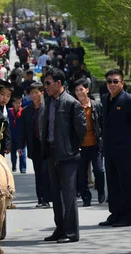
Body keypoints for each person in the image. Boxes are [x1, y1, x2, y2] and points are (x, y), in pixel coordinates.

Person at [41, 68, 87, 243]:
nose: (45, 86)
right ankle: (59, 229)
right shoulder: (49, 101)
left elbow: (81, 130)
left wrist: (72, 147)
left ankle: (71, 232)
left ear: (58, 83)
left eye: (48, 83)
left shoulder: (71, 103)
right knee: (55, 194)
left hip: (68, 155)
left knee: (68, 196)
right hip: (52, 152)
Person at [99, 69, 131, 227]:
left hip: (125, 150)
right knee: (112, 183)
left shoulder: (128, 100)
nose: (112, 84)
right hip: (110, 149)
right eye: (109, 81)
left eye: (115, 81)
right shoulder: (105, 99)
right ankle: (115, 214)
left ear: (122, 83)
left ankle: (127, 217)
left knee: (125, 185)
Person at [18, 82, 51, 208]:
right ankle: (40, 198)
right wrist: (21, 146)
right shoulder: (27, 111)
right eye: (31, 93)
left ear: (41, 93)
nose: (34, 95)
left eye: (36, 92)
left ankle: (47, 198)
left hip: (47, 145)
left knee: (45, 172)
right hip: (34, 145)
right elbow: (22, 131)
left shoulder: (48, 108)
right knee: (38, 173)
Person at [74, 78, 105, 206]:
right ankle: (86, 196)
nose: (79, 92)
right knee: (81, 174)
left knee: (99, 170)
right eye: (76, 90)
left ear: (87, 89)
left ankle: (101, 191)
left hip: (95, 144)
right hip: (81, 146)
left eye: (81, 89)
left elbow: (102, 123)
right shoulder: (74, 107)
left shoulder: (96, 105)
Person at [8, 96, 25, 173]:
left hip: (21, 135)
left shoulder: (23, 111)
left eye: (20, 103)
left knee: (22, 152)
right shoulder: (9, 111)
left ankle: (23, 168)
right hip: (12, 135)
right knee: (13, 153)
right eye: (16, 103)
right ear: (13, 104)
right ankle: (14, 166)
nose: (18, 105)